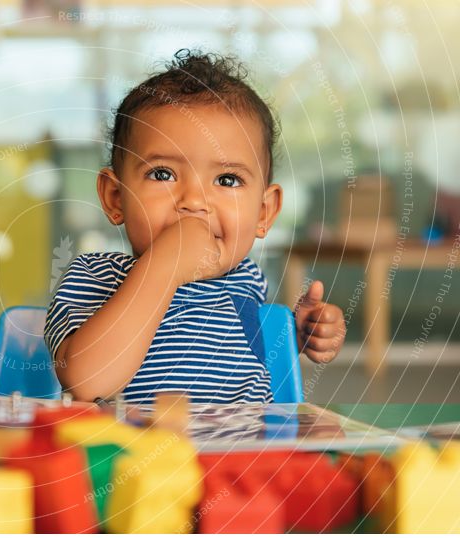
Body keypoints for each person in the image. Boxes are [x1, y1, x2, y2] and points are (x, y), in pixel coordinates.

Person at [45, 49, 345, 405]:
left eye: (227, 180)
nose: (194, 201)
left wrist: (295, 334)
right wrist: (167, 262)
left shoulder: (246, 281)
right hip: (128, 455)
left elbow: (240, 360)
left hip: (238, 456)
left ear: (264, 212)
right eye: (162, 174)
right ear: (115, 197)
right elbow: (88, 382)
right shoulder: (95, 278)